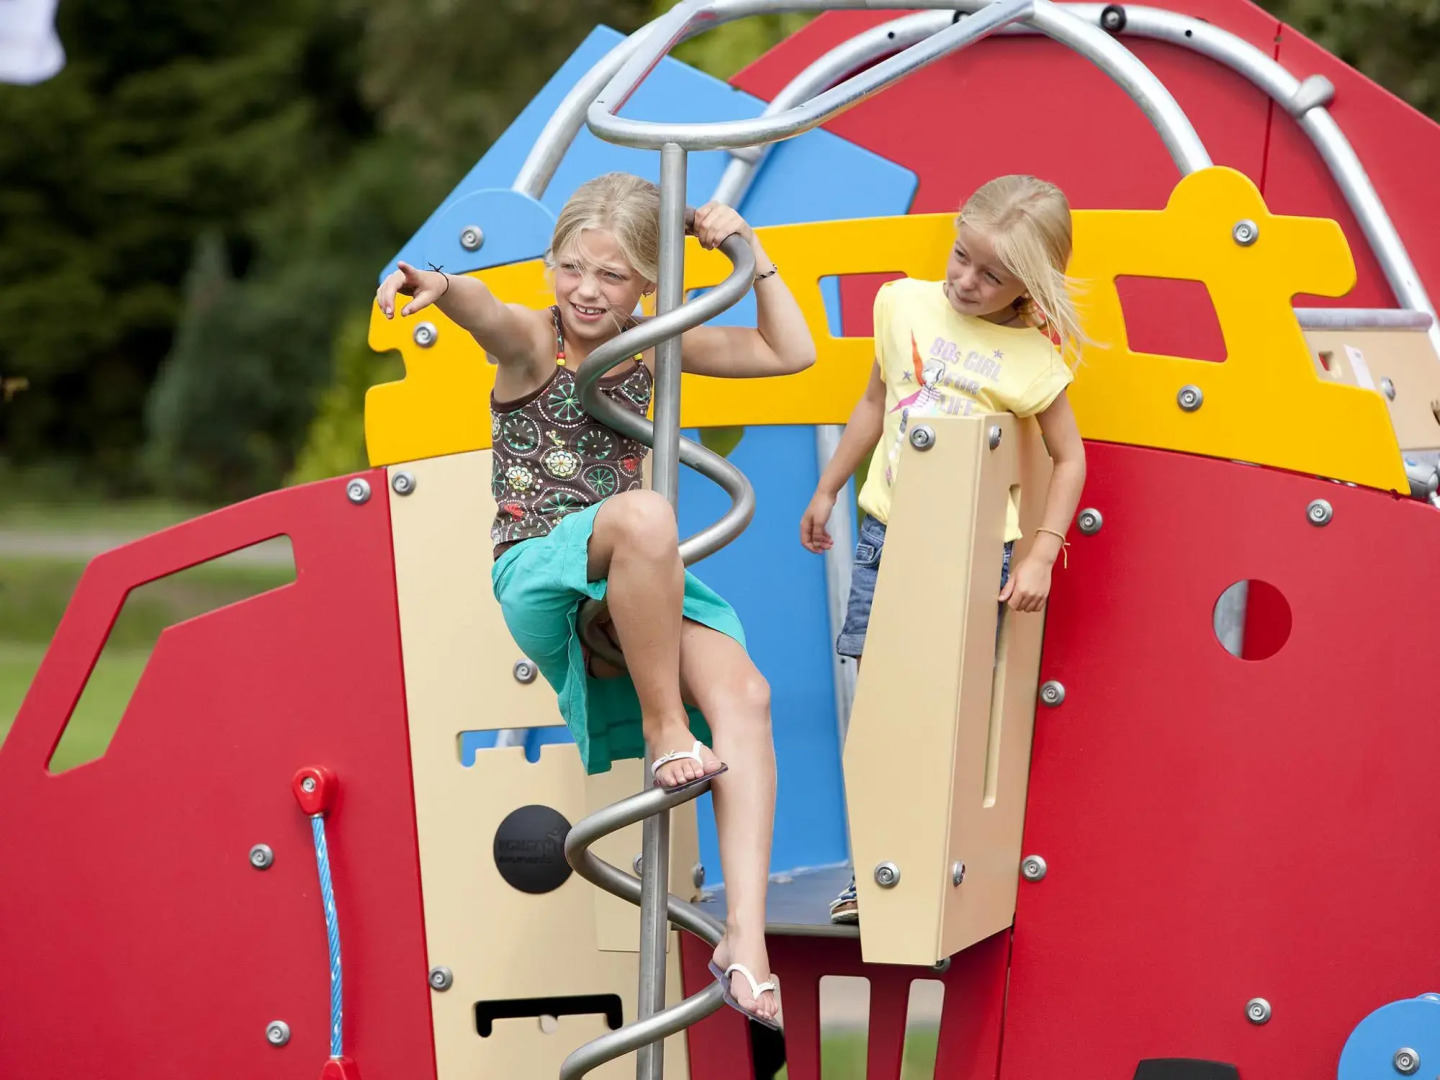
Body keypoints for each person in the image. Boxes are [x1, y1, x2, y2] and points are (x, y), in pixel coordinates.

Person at [377, 172, 814, 1028]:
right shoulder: (535, 345)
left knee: (748, 696)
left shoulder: (657, 345)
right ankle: (663, 729)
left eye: (612, 277)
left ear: (648, 285)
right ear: (549, 268)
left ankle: (745, 944)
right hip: (543, 569)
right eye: (572, 268)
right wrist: (442, 286)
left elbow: (787, 352)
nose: (586, 290)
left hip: (637, 577)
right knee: (650, 513)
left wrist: (747, 253)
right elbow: (485, 315)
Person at [798, 174, 1088, 925]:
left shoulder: (1031, 361)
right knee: (880, 704)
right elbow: (874, 402)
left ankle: (933, 866)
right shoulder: (902, 305)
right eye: (962, 258)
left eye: (991, 276)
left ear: (1028, 283)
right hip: (887, 535)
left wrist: (1039, 553)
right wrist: (829, 487)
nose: (966, 280)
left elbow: (1070, 458)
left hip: (969, 552)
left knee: (944, 706)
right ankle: (879, 871)